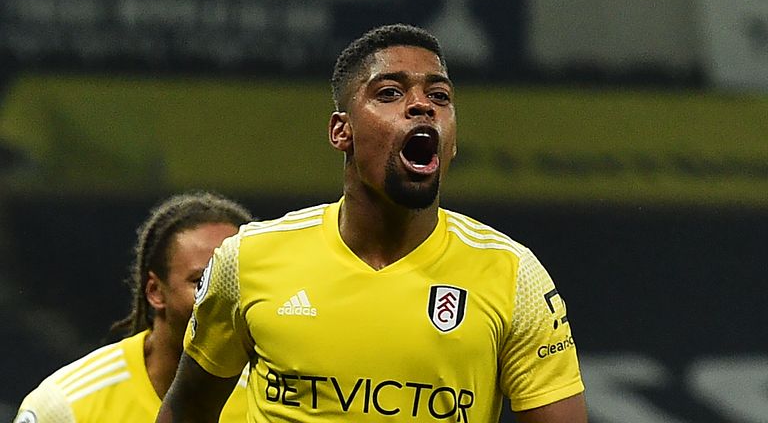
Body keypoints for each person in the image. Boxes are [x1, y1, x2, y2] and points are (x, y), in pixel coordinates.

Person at [157, 24, 588, 423]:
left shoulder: (513, 275)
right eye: (389, 93)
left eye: (439, 96)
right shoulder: (247, 259)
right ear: (341, 132)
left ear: (452, 141)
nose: (421, 105)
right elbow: (187, 409)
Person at [14, 191, 254, 423]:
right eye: (201, 281)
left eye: (240, 281)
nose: (228, 297)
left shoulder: (274, 393)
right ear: (155, 292)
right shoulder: (66, 405)